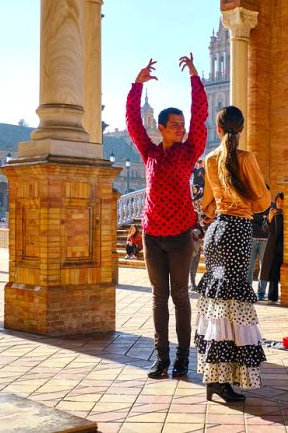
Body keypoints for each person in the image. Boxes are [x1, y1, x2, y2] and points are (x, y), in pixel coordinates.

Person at [126, 55, 208, 379]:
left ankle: (183, 359)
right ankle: (161, 358)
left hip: (178, 237)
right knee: (159, 298)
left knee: (180, 298)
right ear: (160, 128)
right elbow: (133, 122)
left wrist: (194, 78)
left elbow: (200, 118)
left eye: (182, 124)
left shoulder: (189, 152)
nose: (181, 128)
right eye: (175, 125)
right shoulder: (148, 152)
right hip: (151, 235)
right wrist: (137, 84)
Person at [197, 105, 270, 402]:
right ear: (241, 129)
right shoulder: (244, 158)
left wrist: (224, 209)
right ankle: (223, 380)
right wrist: (247, 207)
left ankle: (214, 377)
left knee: (217, 301)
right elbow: (262, 201)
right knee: (232, 302)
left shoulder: (210, 159)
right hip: (237, 233)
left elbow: (207, 206)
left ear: (218, 129)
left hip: (216, 234)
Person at [260, 193, 284, 303]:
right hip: (274, 247)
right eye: (278, 201)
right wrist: (269, 219)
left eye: (282, 201)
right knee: (273, 272)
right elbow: (264, 229)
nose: (280, 203)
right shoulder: (273, 214)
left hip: (285, 247)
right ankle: (272, 297)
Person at [249, 205, 270, 294]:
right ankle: (247, 290)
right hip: (251, 239)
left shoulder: (270, 206)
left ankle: (261, 292)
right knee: (249, 267)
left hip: (265, 240)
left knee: (263, 267)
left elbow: (269, 223)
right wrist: (263, 220)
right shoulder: (251, 204)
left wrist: (257, 221)